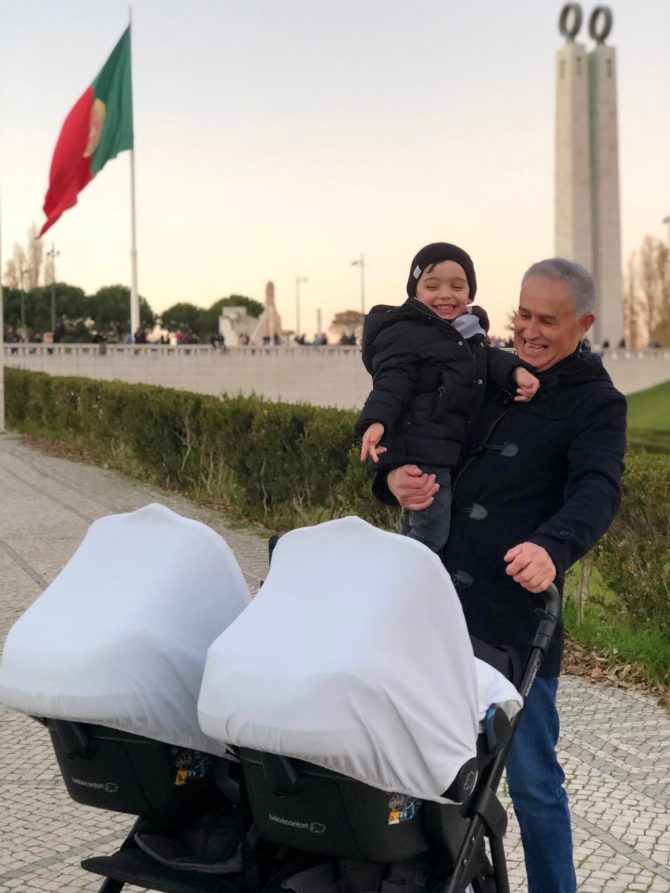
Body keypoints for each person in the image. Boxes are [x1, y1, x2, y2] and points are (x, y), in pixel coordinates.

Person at [373, 257, 627, 893]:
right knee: (418, 762)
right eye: (522, 316)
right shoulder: (487, 372)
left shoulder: (598, 403)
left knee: (533, 781)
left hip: (516, 618)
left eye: (547, 321)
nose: (529, 332)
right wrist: (392, 479)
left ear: (584, 324)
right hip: (436, 607)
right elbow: (421, 431)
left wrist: (553, 547)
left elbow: (597, 489)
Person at [357, 242, 539, 553]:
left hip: (442, 450)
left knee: (415, 528)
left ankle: (400, 572)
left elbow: (489, 360)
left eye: (457, 286)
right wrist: (376, 421)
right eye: (432, 286)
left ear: (470, 293)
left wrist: (516, 371)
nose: (445, 294)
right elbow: (391, 383)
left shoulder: (466, 334)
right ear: (415, 293)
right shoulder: (408, 334)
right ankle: (406, 578)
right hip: (426, 452)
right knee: (430, 534)